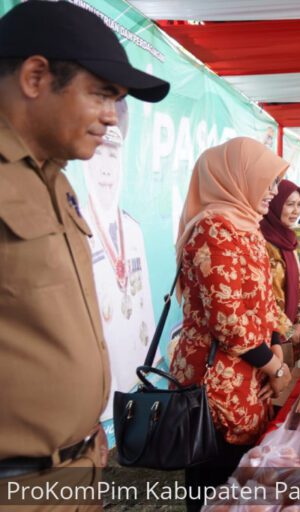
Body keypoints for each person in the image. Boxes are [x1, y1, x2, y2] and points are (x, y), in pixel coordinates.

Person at [0, 0, 168, 498]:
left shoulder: (56, 181)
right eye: (101, 96)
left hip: (72, 473)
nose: (111, 118)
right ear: (35, 77)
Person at [170, 138, 292, 511]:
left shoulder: (247, 227)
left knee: (243, 485)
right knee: (214, 485)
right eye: (268, 182)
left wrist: (273, 348)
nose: (272, 193)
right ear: (239, 177)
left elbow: (266, 302)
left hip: (251, 374)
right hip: (215, 384)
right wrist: (278, 368)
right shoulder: (212, 229)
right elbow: (229, 321)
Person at [81, 99, 156, 426]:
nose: (106, 167)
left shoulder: (134, 231)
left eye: (113, 153)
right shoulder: (76, 228)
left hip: (134, 373)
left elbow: (146, 310)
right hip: (94, 387)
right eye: (99, 153)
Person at [260, 179, 300, 368]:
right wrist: (288, 330)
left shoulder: (289, 239)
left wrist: (299, 322)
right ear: (274, 205)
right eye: (289, 204)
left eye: (299, 205)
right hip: (267, 339)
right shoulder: (261, 242)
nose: (296, 211)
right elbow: (265, 298)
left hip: (290, 332)